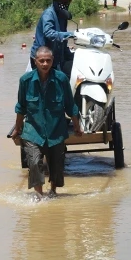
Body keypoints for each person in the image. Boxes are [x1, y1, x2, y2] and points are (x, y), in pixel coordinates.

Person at [11, 46, 82, 200]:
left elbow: (70, 105)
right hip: (33, 130)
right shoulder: (25, 81)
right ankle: (38, 194)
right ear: (35, 62)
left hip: (55, 129)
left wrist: (77, 126)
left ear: (52, 61)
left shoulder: (61, 79)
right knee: (35, 162)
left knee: (56, 164)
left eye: (48, 61)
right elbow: (21, 107)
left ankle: (53, 191)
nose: (45, 64)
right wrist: (17, 129)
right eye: (41, 61)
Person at [30, 0, 75, 77]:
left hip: (56, 56)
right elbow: (49, 33)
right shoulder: (49, 14)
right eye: (60, 1)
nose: (63, 4)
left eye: (66, 1)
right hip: (43, 57)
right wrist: (71, 34)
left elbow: (62, 40)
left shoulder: (62, 15)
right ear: (54, 0)